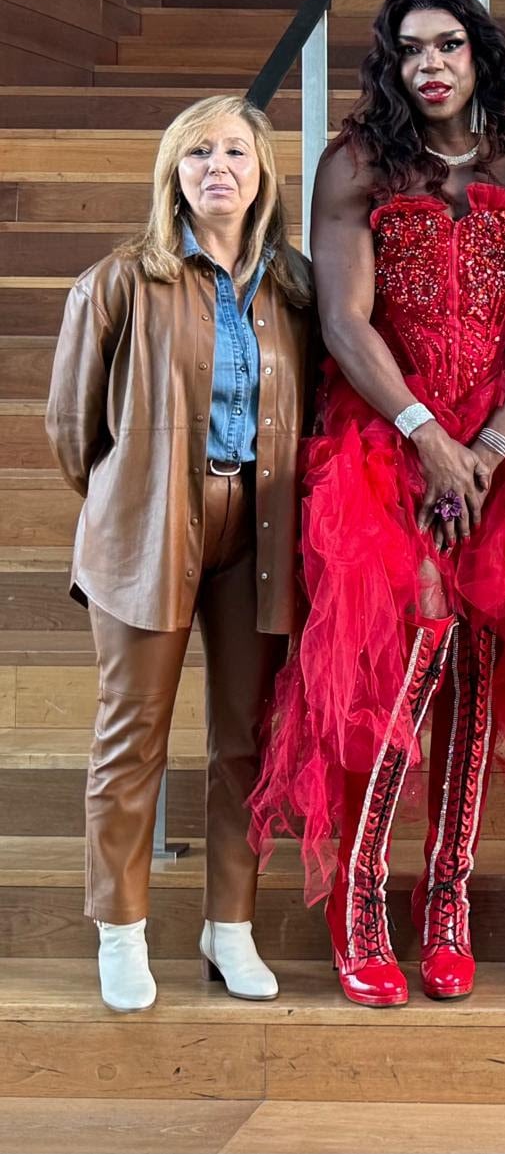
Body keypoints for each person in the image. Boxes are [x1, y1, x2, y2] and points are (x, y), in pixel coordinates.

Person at [249, 0, 505, 1008]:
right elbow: (347, 322)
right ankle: (359, 902)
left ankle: (445, 898)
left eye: (449, 45)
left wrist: (486, 444)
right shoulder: (355, 162)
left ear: (482, 57)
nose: (431, 64)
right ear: (392, 66)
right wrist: (426, 438)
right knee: (417, 649)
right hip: (383, 437)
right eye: (411, 51)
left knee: (480, 663)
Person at [46, 94, 314, 1012]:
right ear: (174, 173)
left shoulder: (295, 288)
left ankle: (227, 926)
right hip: (149, 527)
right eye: (197, 153)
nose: (218, 168)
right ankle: (120, 932)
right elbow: (71, 431)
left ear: (263, 171)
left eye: (235, 151)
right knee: (133, 735)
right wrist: (136, 501)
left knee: (246, 736)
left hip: (262, 529)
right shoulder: (121, 279)